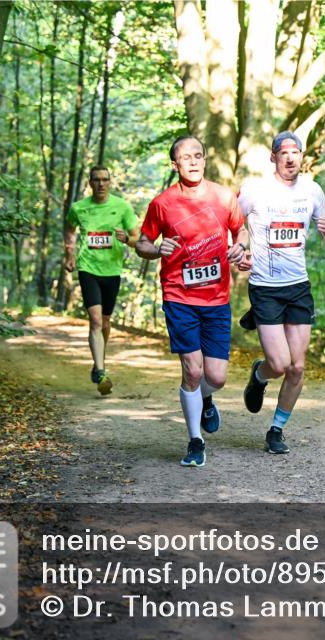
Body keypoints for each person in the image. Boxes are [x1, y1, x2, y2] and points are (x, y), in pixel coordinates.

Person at [135, 136, 249, 467]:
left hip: (216, 298)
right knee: (193, 369)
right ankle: (195, 441)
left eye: (198, 155)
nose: (194, 162)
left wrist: (240, 246)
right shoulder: (163, 203)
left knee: (216, 377)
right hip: (179, 295)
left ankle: (206, 400)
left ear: (204, 159)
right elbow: (142, 242)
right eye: (186, 158)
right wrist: (157, 249)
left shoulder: (224, 196)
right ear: (175, 165)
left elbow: (240, 231)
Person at [238, 131, 325, 455]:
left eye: (296, 152)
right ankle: (259, 373)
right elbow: (231, 222)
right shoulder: (255, 191)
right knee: (279, 364)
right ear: (274, 157)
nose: (291, 158)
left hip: (298, 287)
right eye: (285, 153)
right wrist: (239, 250)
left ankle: (276, 430)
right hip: (265, 288)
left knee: (297, 367)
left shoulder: (312, 191)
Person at [64, 165, 139, 396]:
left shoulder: (122, 207)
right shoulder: (79, 208)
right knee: (95, 321)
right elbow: (69, 228)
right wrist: (70, 254)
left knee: (105, 322)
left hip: (112, 270)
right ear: (90, 182)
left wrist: (126, 238)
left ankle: (100, 360)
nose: (101, 184)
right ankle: (101, 370)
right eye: (96, 180)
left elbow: (137, 238)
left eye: (105, 180)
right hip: (88, 268)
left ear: (110, 182)